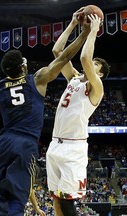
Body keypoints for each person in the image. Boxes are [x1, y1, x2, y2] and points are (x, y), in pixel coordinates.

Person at [0, 8, 90, 216]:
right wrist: (83, 34)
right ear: (23, 65)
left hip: (3, 141)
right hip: (26, 143)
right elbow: (63, 57)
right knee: (18, 199)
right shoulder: (37, 79)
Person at [46, 13, 110, 216]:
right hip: (55, 144)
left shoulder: (97, 89)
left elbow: (84, 58)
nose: (91, 64)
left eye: (95, 65)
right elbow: (57, 51)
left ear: (98, 74)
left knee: (67, 204)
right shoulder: (73, 79)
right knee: (56, 199)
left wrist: (93, 31)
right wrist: (73, 24)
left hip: (74, 149)